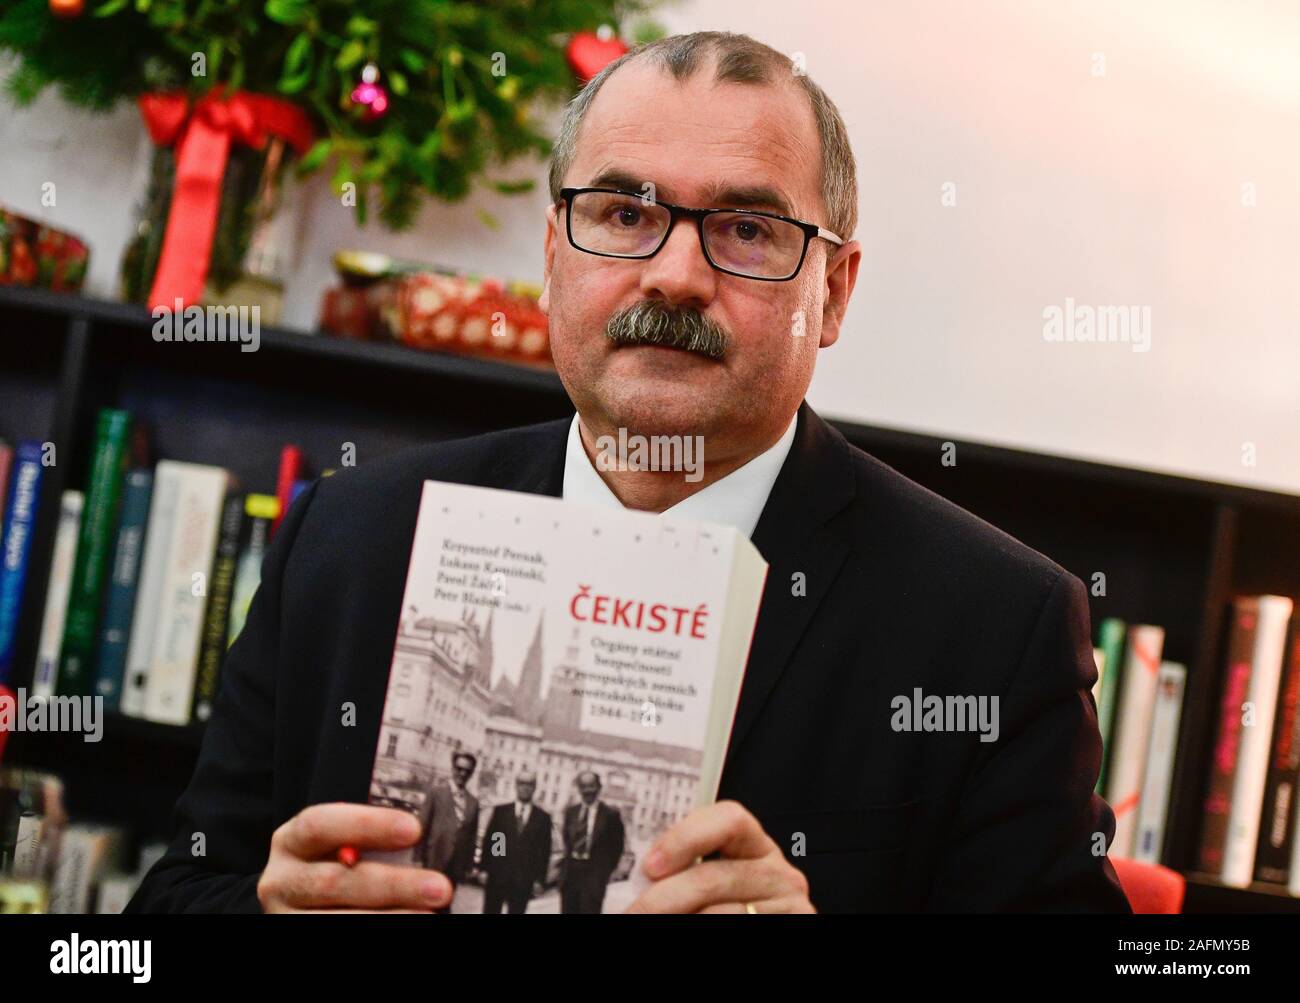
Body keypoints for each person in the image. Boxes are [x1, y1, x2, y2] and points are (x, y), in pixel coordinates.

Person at [126, 30, 1129, 914]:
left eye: (746, 229)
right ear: (555, 251)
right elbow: (168, 904)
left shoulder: (996, 629)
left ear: (832, 293)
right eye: (620, 212)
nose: (675, 275)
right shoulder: (347, 539)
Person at [481, 772, 552, 914]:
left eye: (530, 784)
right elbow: (495, 845)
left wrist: (539, 880)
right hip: (498, 876)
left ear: (535, 788)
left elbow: (543, 852)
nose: (525, 788)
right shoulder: (501, 812)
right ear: (516, 786)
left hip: (523, 880)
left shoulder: (542, 818)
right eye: (522, 784)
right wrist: (486, 869)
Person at [559, 773, 626, 914]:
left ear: (599, 787)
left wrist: (603, 873)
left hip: (593, 878)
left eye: (591, 786)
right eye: (583, 786)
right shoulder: (571, 812)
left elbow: (617, 848)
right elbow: (567, 841)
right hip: (570, 876)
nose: (587, 790)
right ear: (578, 789)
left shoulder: (610, 815)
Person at [416, 751, 479, 887]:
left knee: (445, 903)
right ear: (452, 768)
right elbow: (423, 825)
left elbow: (471, 837)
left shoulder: (473, 803)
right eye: (459, 769)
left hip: (456, 866)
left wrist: (468, 866)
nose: (462, 773)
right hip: (434, 858)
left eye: (467, 771)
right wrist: (418, 857)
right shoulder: (436, 793)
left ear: (472, 773)